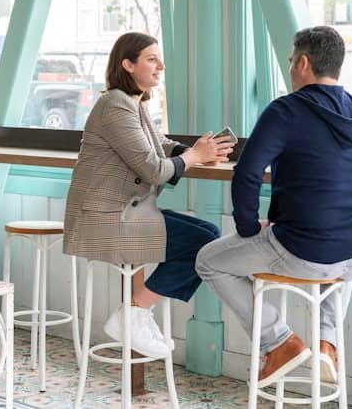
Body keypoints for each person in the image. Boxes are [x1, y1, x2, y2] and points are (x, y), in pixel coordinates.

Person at [195, 25, 352, 387]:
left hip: (306, 252)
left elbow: (247, 173)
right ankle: (326, 344)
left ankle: (278, 341)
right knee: (338, 257)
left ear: (303, 63)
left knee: (208, 260)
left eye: (291, 61)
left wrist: (249, 228)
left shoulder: (286, 110)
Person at [64, 31, 235, 358]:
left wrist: (196, 151)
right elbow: (153, 169)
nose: (161, 66)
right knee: (204, 244)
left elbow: (160, 144)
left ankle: (137, 313)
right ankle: (133, 313)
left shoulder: (132, 103)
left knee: (209, 235)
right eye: (152, 59)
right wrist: (194, 157)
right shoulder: (115, 104)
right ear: (128, 64)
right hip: (107, 220)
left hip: (127, 212)